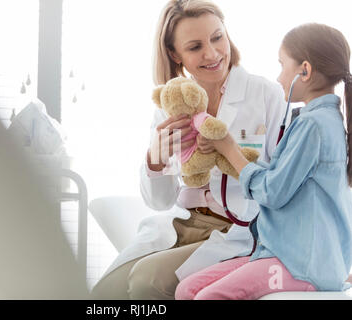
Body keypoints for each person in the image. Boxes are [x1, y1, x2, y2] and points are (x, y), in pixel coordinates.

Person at [91, 0, 287, 300]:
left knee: (146, 281)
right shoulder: (171, 105)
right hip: (184, 222)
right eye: (195, 47)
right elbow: (159, 201)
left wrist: (230, 150)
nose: (212, 53)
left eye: (217, 38)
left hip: (238, 228)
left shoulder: (265, 94)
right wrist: (154, 160)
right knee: (105, 293)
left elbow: (281, 182)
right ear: (174, 53)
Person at [175, 22, 352, 300]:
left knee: (207, 297)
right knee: (187, 289)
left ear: (304, 71)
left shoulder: (314, 125)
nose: (279, 77)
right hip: (279, 252)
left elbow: (272, 192)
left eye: (283, 66)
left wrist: (230, 148)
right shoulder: (317, 121)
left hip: (300, 263)